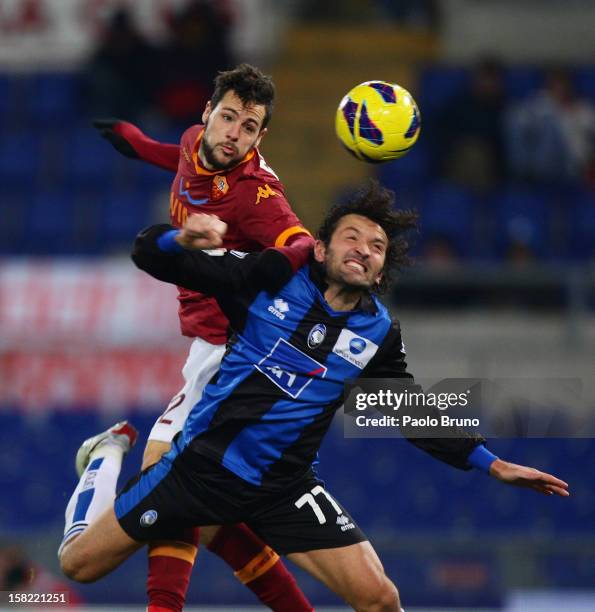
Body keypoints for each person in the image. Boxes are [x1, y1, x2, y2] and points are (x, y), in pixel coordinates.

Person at [59, 181, 570, 611]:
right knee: (78, 565)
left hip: (285, 488)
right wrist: (179, 238)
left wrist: (491, 462)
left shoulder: (378, 332)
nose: (365, 249)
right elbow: (149, 254)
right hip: (198, 471)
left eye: (377, 247)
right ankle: (106, 454)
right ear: (321, 248)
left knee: (381, 600)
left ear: (381, 269)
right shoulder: (266, 280)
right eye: (352, 237)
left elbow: (406, 409)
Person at [85, 63, 315, 612]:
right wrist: (136, 143)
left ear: (261, 137)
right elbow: (180, 157)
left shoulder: (256, 194)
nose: (234, 133)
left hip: (239, 348)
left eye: (249, 126)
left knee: (164, 476)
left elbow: (303, 243)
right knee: (207, 515)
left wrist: (265, 266)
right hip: (209, 347)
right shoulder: (197, 142)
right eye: (229, 117)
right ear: (208, 113)